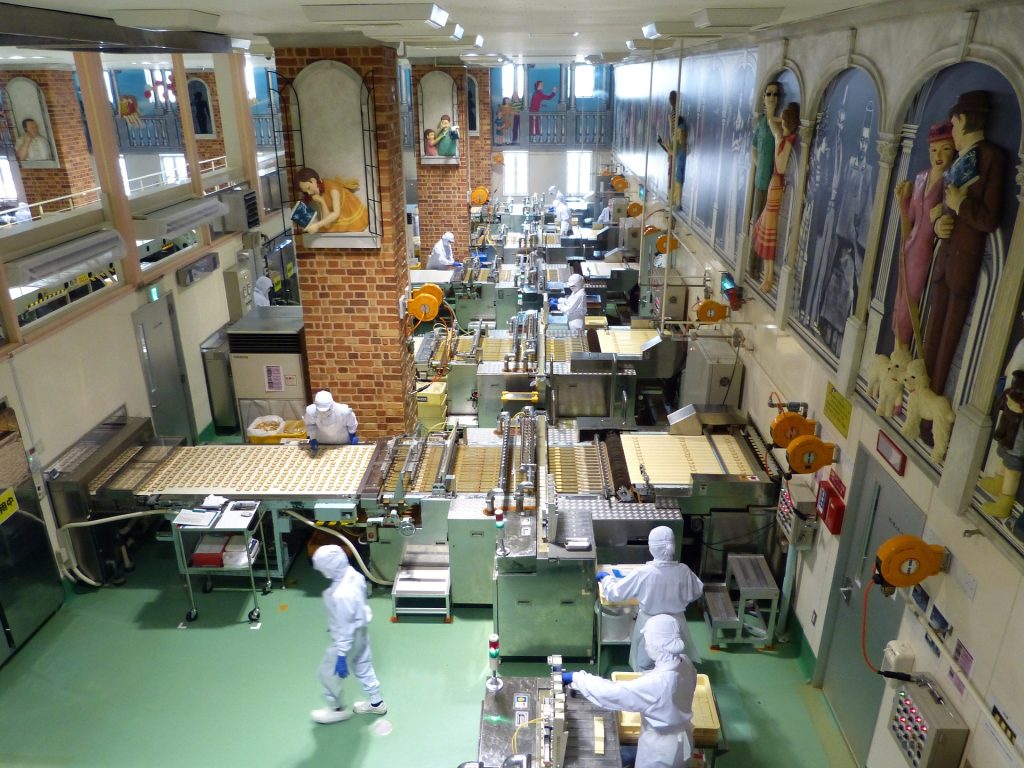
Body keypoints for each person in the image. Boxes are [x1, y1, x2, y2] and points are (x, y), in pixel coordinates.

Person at [924, 89, 1005, 395]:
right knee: (932, 336)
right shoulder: (961, 161)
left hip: (964, 262)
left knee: (947, 343)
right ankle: (920, 400)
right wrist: (940, 221)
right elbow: (949, 207)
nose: (953, 133)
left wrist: (959, 206)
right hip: (945, 258)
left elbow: (988, 219)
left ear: (962, 120)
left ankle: (933, 413)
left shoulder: (991, 158)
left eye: (954, 126)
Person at [565, 614, 697, 768]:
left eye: (648, 642)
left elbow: (613, 693)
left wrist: (578, 677)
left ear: (658, 644)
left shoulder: (659, 683)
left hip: (659, 751)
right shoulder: (685, 663)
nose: (646, 646)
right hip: (681, 740)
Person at [599, 525, 704, 668]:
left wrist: (606, 579)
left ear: (652, 547)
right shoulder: (684, 571)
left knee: (645, 664)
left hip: (650, 625)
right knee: (674, 664)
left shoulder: (644, 573)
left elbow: (614, 593)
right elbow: (697, 591)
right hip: (676, 623)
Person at [891, 122, 955, 352]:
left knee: (912, 299)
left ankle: (902, 348)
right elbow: (910, 220)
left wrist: (940, 220)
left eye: (946, 149)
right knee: (901, 297)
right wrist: (903, 201)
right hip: (910, 246)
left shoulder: (949, 182)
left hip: (926, 252)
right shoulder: (921, 178)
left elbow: (947, 219)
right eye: (934, 150)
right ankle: (897, 349)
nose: (938, 155)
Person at [310, 545, 387, 724]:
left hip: (347, 639)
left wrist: (342, 654)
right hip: (360, 632)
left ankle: (337, 709)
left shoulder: (341, 594)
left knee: (326, 673)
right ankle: (377, 702)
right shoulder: (353, 574)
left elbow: (345, 626)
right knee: (362, 665)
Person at [751, 101, 799, 293]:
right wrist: (781, 126)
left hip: (776, 184)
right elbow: (771, 120)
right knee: (765, 230)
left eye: (785, 122)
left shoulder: (787, 141)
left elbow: (779, 166)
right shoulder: (785, 138)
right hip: (774, 184)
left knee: (767, 230)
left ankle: (768, 276)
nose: (782, 125)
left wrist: (780, 137)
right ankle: (767, 274)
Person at [750, 81, 781, 272]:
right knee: (756, 222)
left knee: (766, 226)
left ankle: (758, 268)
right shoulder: (761, 123)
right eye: (768, 94)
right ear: (763, 97)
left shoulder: (775, 123)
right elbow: (753, 147)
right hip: (760, 180)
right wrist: (758, 163)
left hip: (771, 182)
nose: (771, 98)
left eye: (775, 95)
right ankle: (752, 266)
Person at [295, 168, 369, 234]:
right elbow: (327, 225)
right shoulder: (317, 194)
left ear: (313, 181)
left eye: (308, 188)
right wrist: (321, 201)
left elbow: (336, 214)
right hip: (335, 218)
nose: (309, 193)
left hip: (349, 214)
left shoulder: (333, 188)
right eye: (306, 192)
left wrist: (317, 225)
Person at [304, 390, 358, 456]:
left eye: (327, 410)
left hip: (342, 442)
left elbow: (352, 424)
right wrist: (312, 438)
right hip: (321, 443)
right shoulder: (311, 411)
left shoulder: (343, 411)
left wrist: (352, 434)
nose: (324, 413)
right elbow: (310, 425)